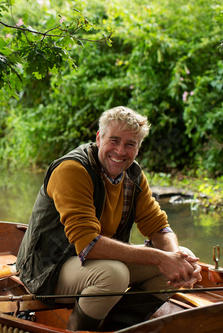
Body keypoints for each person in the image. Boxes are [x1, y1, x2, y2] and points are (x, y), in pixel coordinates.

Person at [15, 106, 202, 331]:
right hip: (47, 268)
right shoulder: (72, 170)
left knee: (182, 264)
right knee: (114, 275)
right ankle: (79, 329)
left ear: (138, 148)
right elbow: (88, 244)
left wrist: (175, 257)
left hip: (94, 262)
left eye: (130, 144)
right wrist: (160, 258)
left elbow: (159, 227)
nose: (120, 151)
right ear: (99, 138)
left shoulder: (133, 175)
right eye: (114, 140)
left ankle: (118, 327)